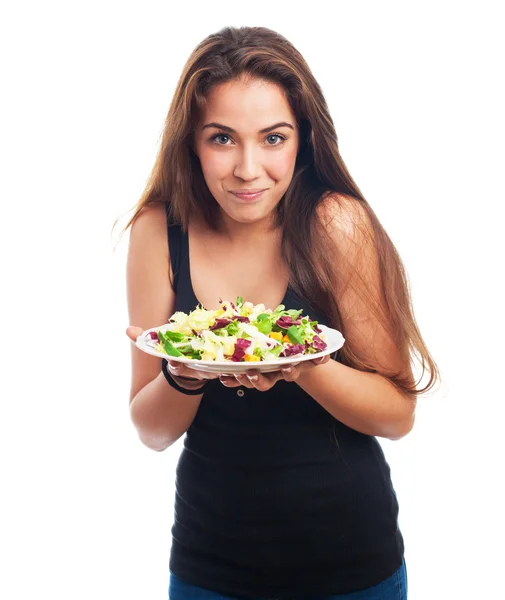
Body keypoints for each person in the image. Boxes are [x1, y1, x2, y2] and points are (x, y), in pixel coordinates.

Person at [116, 25, 440, 600]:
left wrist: (302, 364)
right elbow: (152, 430)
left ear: (303, 140)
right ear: (191, 141)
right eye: (222, 138)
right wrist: (181, 373)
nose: (247, 169)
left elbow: (396, 415)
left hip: (349, 567)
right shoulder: (158, 232)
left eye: (272, 138)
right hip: (209, 566)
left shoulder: (335, 224)